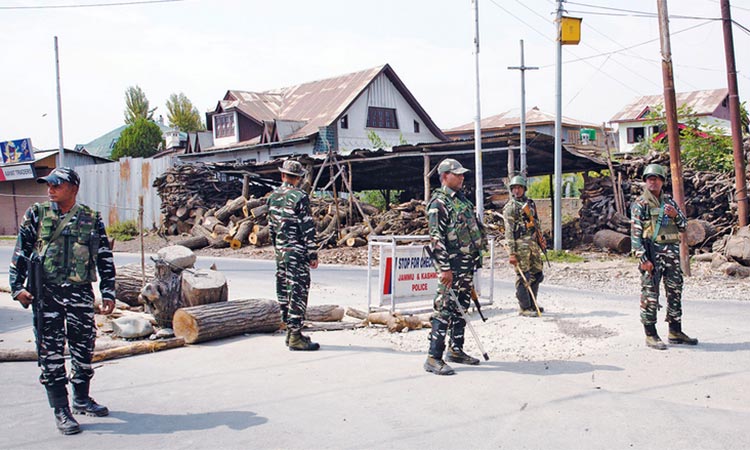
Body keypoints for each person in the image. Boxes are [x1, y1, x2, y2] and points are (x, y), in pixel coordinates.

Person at [9, 167, 116, 435]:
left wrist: (109, 291)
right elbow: (21, 251)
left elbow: (103, 256)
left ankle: (81, 398)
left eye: (57, 184)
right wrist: (16, 288)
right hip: (47, 296)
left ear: (73, 188)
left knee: (83, 348)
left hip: (80, 294)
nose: (50, 189)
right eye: (49, 184)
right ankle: (61, 409)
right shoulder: (36, 214)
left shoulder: (91, 218)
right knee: (51, 353)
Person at [424, 158, 486, 375]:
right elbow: (436, 238)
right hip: (451, 268)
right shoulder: (438, 204)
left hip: (466, 267)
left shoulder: (462, 202)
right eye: (456, 174)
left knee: (462, 308)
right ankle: (433, 357)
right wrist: (444, 269)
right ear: (444, 177)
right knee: (443, 310)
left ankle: (456, 349)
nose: (461, 177)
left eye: (462, 174)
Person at [630, 163, 698, 350]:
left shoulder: (670, 203)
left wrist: (675, 215)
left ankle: (675, 331)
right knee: (650, 294)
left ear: (662, 182)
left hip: (672, 256)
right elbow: (635, 235)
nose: (653, 182)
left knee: (675, 292)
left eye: (656, 178)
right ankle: (651, 334)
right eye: (649, 179)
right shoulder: (641, 204)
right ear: (645, 182)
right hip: (652, 256)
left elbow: (684, 226)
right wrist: (643, 259)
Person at [266, 160, 320, 351]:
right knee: (298, 292)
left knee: (284, 292)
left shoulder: (272, 197)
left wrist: (278, 249)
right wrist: (312, 253)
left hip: (280, 254)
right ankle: (295, 335)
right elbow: (307, 227)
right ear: (298, 178)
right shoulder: (299, 197)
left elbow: (271, 229)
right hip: (296, 254)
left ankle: (290, 332)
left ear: (283, 176)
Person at [502, 175, 545, 317]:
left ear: (524, 189)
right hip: (520, 246)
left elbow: (536, 223)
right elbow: (509, 231)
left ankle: (533, 303)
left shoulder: (530, 204)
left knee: (537, 275)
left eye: (519, 187)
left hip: (532, 245)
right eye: (514, 188)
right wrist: (512, 253)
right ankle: (524, 307)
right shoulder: (510, 207)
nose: (517, 190)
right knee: (523, 277)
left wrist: (541, 240)